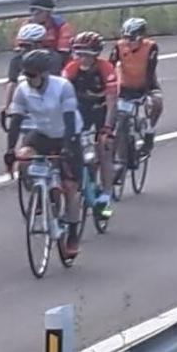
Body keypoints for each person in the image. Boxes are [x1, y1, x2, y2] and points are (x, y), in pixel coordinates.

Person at [3, 48, 84, 255]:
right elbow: (16, 120)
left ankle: (73, 233)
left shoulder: (62, 87)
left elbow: (68, 118)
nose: (28, 79)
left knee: (70, 186)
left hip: (68, 134)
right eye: (25, 74)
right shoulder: (23, 89)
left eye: (32, 75)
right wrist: (10, 150)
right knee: (24, 158)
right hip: (43, 133)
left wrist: (67, 148)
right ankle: (41, 194)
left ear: (44, 73)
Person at [61, 30, 118, 215]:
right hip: (81, 110)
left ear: (96, 55)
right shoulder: (71, 69)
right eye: (79, 53)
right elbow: (60, 96)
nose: (82, 58)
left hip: (101, 110)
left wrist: (107, 128)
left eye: (87, 54)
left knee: (104, 147)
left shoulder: (106, 68)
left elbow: (111, 101)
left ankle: (107, 195)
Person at [110, 17, 163, 140]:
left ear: (141, 37)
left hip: (146, 84)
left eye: (132, 39)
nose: (128, 42)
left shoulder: (151, 47)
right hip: (124, 85)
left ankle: (150, 130)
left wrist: (147, 92)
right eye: (125, 38)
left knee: (156, 103)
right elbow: (110, 66)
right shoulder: (119, 46)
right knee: (116, 113)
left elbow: (150, 70)